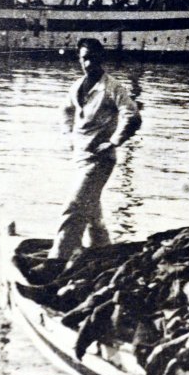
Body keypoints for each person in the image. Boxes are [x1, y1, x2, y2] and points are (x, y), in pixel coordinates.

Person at [38, 38, 140, 278]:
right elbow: (66, 110)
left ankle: (56, 263)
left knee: (73, 208)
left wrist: (113, 142)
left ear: (101, 59)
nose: (89, 63)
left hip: (100, 161)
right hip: (80, 158)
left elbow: (133, 116)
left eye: (94, 58)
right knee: (92, 212)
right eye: (85, 58)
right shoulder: (77, 86)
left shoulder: (112, 88)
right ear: (79, 59)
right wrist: (69, 137)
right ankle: (103, 253)